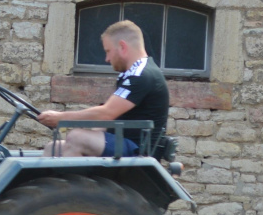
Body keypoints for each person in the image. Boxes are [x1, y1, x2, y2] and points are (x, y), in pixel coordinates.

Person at [37, 20, 170, 156]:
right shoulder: (133, 73)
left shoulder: (142, 75)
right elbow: (111, 118)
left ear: (122, 47)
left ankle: (69, 177)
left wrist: (61, 117)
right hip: (124, 141)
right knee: (53, 148)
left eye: (108, 51)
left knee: (77, 137)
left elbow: (107, 113)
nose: (107, 58)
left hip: (139, 151)